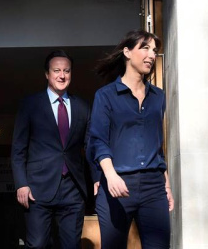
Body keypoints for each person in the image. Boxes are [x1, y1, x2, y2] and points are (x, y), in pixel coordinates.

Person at [87, 29, 174, 249]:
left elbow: (157, 144)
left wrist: (167, 185)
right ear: (127, 52)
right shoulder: (105, 96)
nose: (152, 55)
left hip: (154, 188)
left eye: (154, 50)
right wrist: (110, 175)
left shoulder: (158, 97)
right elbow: (98, 141)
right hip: (117, 185)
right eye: (145, 48)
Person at [11, 50, 91, 249]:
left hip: (73, 189)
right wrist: (21, 183)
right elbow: (18, 149)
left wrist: (99, 178)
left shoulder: (82, 106)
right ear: (47, 74)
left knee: (71, 245)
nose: (62, 75)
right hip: (37, 188)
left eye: (66, 71)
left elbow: (90, 146)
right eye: (56, 70)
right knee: (37, 244)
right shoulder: (30, 104)